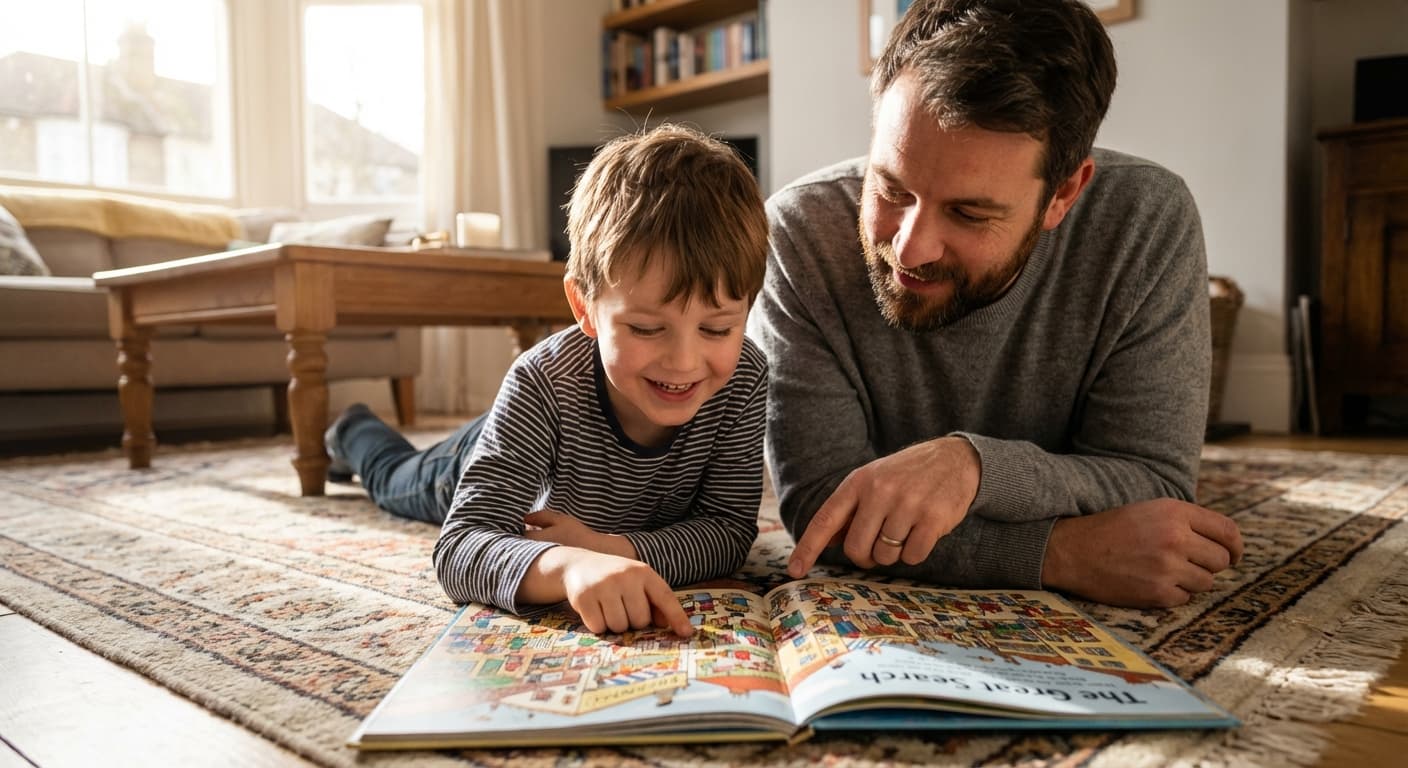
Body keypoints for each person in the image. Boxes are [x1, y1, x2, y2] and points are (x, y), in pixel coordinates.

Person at [750, 0, 1244, 609]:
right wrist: (1059, 552)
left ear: (1063, 194)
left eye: (968, 213)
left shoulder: (1146, 221)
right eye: (891, 188)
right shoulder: (799, 232)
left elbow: (1154, 481)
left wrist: (972, 467)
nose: (911, 248)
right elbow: (822, 508)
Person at [325, 124, 770, 636]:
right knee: (392, 479)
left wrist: (607, 549)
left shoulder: (745, 376)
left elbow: (728, 531)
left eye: (717, 329)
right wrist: (568, 566)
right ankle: (353, 430)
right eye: (647, 329)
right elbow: (461, 546)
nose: (684, 362)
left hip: (562, 469)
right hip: (473, 460)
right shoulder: (543, 381)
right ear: (584, 307)